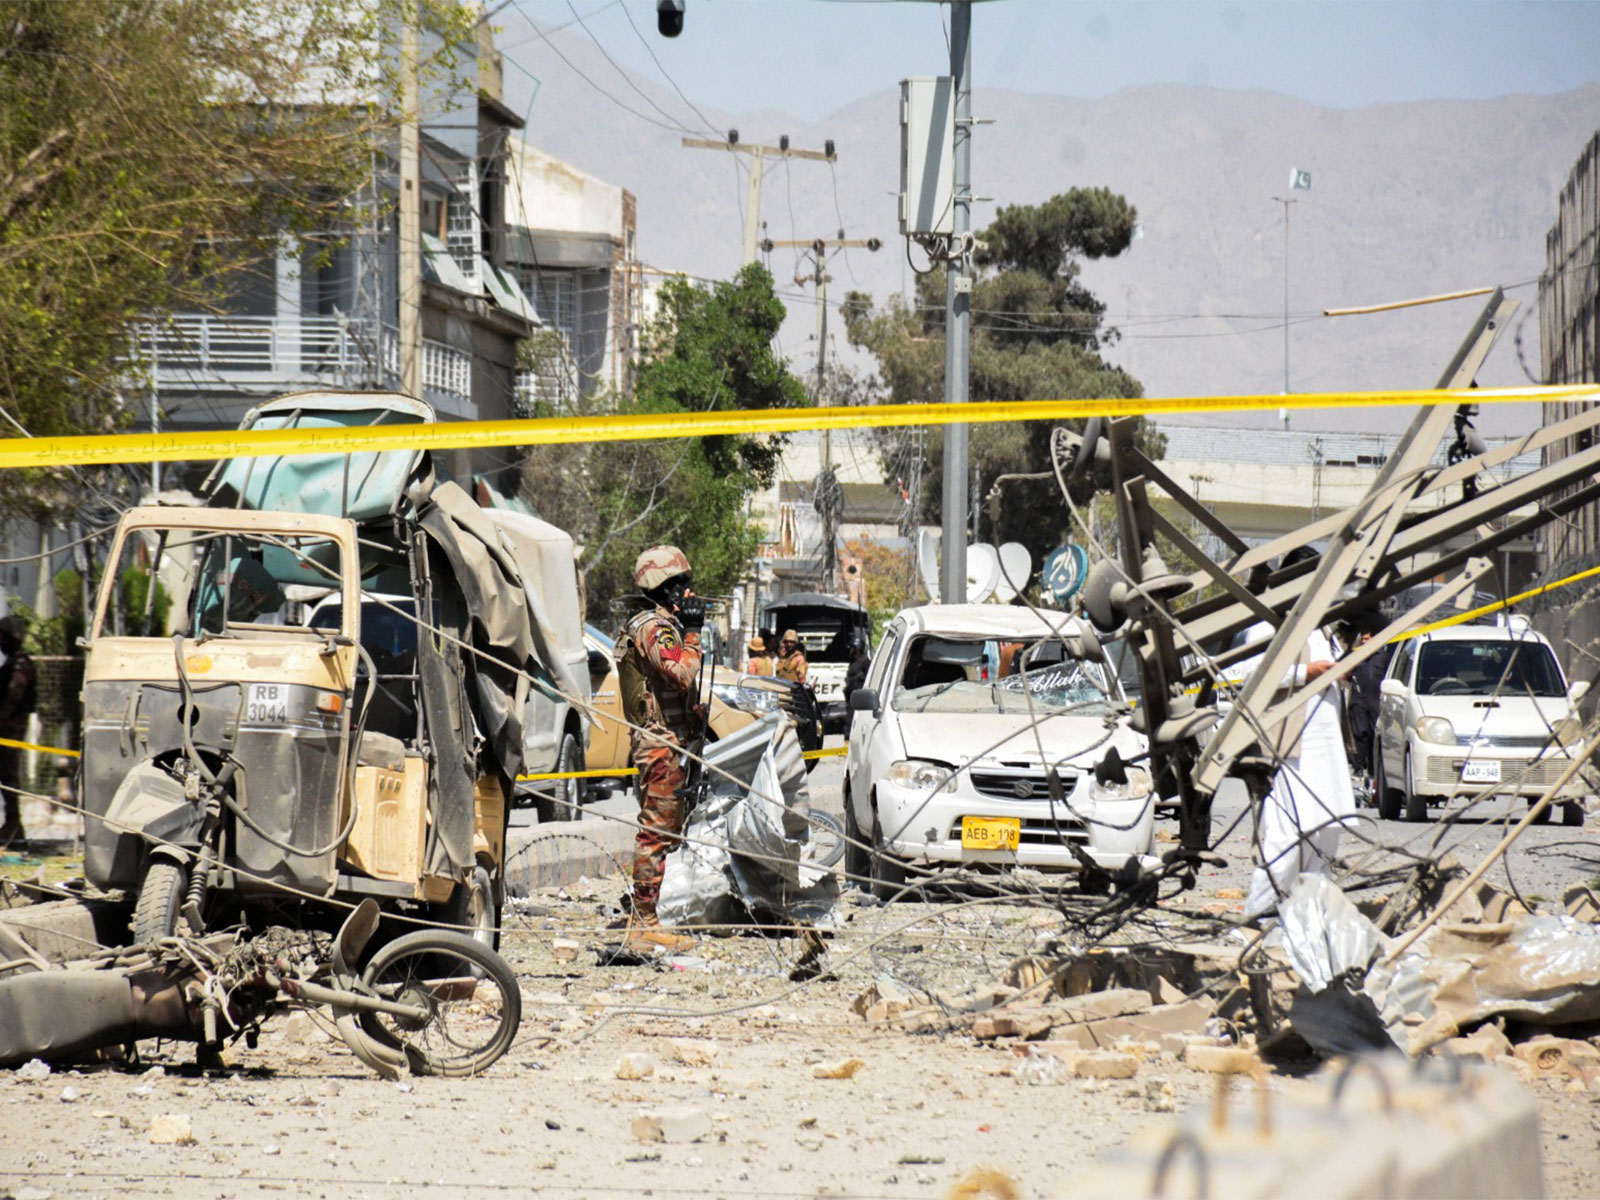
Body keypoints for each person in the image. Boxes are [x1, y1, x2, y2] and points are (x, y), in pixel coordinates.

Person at [1222, 550, 1357, 920]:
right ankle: (1256, 920)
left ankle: (1312, 924)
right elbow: (1241, 673)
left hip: (1325, 749)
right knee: (1285, 839)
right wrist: (1304, 672)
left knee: (1325, 834)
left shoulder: (1325, 626)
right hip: (1291, 749)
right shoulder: (1272, 622)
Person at [615, 545, 706, 953]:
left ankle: (645, 916)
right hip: (658, 744)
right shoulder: (653, 627)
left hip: (669, 740)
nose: (688, 593)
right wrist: (694, 634)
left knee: (666, 829)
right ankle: (644, 921)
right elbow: (680, 674)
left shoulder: (659, 624)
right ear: (663, 588)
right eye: (680, 585)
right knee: (654, 832)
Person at [0, 616, 37, 846]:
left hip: (10, 731)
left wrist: (1, 720)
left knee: (8, 777)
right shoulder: (11, 663)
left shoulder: (20, 664)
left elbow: (13, 696)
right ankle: (13, 826)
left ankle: (14, 826)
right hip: (6, 729)